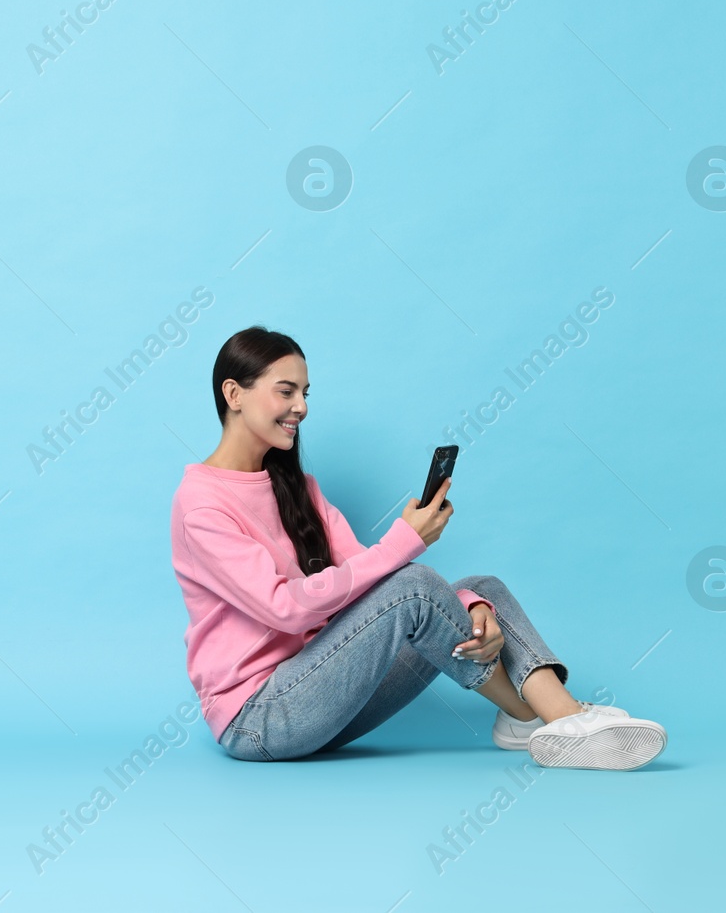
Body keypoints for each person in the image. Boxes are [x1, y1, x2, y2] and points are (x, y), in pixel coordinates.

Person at [169, 325, 666, 769]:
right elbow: (286, 609)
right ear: (234, 393)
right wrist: (403, 543)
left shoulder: (299, 488)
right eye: (286, 391)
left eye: (305, 392)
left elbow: (369, 584)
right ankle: (561, 716)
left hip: (327, 696)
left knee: (480, 588)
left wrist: (471, 609)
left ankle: (528, 721)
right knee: (415, 586)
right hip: (261, 720)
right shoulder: (201, 504)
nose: (302, 407)